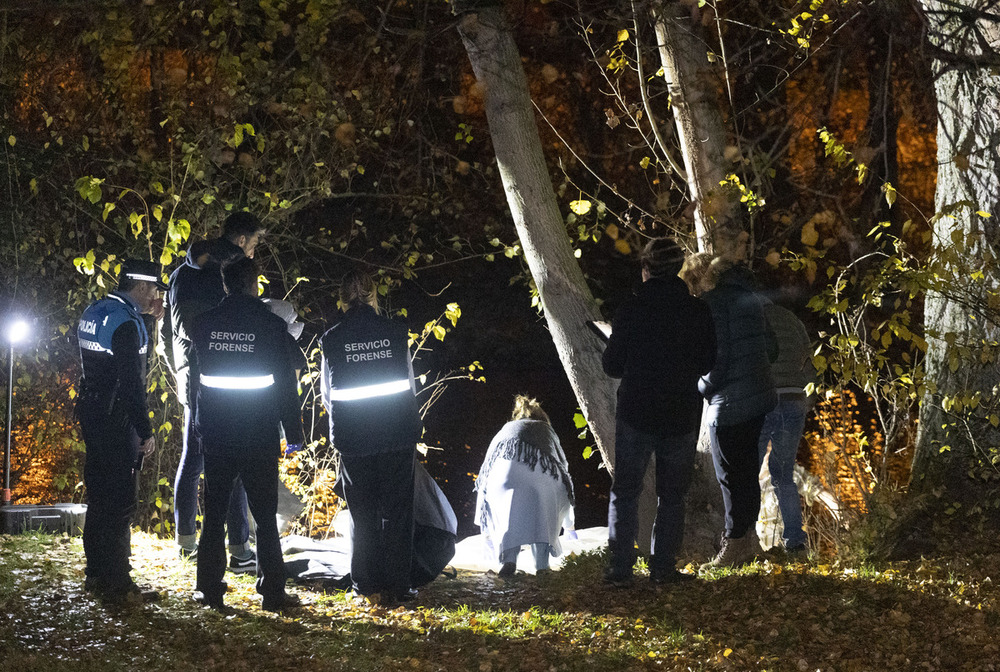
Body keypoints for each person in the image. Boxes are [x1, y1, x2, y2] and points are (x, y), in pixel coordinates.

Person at [188, 256, 302, 612]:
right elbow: (286, 386)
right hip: (258, 435)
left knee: (215, 514)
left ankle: (208, 589)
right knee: (265, 517)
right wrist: (294, 433)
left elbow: (196, 383)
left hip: (218, 435)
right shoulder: (270, 327)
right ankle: (272, 593)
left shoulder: (203, 325)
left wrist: (198, 425)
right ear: (255, 284)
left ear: (225, 284)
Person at [602, 237, 717, 586]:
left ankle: (621, 569)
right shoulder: (697, 311)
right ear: (679, 267)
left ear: (646, 269)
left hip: (637, 410)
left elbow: (612, 365)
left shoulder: (631, 309)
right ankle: (663, 567)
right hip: (680, 412)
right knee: (672, 496)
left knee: (626, 491)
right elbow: (707, 361)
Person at [158, 211, 265, 568]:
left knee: (198, 458)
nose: (254, 252)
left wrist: (180, 370)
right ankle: (234, 549)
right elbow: (202, 328)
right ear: (240, 241)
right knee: (209, 459)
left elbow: (167, 331)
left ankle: (190, 540)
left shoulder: (184, 272)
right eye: (254, 243)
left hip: (195, 375)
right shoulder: (214, 274)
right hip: (210, 378)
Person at [320, 269, 422, 605]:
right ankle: (399, 584)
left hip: (354, 437)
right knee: (397, 511)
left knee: (361, 511)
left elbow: (327, 395)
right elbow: (409, 385)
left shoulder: (332, 339)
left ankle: (364, 583)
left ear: (342, 298)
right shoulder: (394, 332)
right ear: (374, 295)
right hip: (396, 433)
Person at [76, 259, 167, 604]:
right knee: (119, 501)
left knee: (99, 496)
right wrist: (145, 431)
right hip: (117, 420)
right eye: (154, 290)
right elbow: (132, 383)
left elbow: (111, 357)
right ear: (141, 287)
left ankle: (97, 574)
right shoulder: (127, 325)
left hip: (92, 411)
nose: (156, 297)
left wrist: (146, 319)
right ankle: (118, 584)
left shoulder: (99, 309)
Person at [698, 256, 778, 570]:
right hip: (759, 399)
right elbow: (772, 349)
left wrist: (703, 385)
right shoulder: (755, 301)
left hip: (729, 402)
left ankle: (733, 546)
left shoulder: (712, 302)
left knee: (729, 476)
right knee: (748, 473)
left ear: (713, 277)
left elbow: (718, 355)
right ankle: (751, 543)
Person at [475, 395, 576, 578]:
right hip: (541, 484)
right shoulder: (546, 430)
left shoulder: (505, 429)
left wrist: (487, 534)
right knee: (542, 514)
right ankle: (542, 566)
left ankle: (509, 561)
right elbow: (563, 471)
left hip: (501, 483)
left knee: (509, 516)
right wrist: (570, 525)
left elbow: (485, 471)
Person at [758, 297, 813, 556]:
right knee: (783, 475)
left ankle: (742, 538)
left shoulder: (753, 319)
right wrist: (806, 400)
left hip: (764, 399)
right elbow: (810, 361)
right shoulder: (793, 320)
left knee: (747, 471)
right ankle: (796, 542)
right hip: (794, 399)